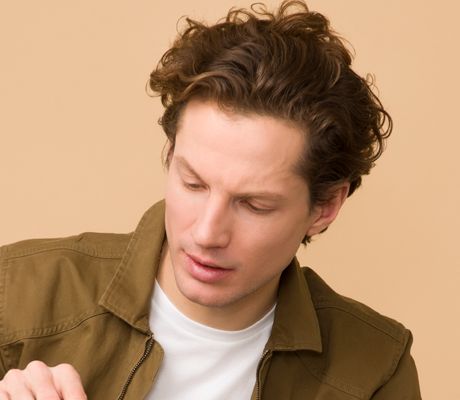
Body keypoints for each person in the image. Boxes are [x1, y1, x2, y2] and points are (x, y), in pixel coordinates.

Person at [0, 1, 421, 399]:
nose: (206, 233)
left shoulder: (374, 369)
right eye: (193, 184)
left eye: (254, 205)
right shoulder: (16, 293)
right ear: (170, 155)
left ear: (325, 206)